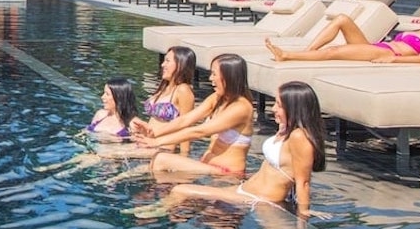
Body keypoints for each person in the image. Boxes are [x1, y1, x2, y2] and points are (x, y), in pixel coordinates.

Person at [131, 81, 327, 220]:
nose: (273, 109)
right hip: (245, 189)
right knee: (198, 203)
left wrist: (304, 214)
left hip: (259, 198)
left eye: (278, 105)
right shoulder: (286, 131)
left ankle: (152, 212)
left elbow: (303, 181)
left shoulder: (299, 137)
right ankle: (158, 210)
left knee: (181, 189)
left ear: (294, 108)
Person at [133, 53, 256, 176]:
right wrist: (153, 134)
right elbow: (185, 120)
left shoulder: (241, 108)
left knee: (161, 159)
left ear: (229, 77)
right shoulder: (217, 98)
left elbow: (199, 131)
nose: (210, 79)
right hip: (207, 167)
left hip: (227, 173)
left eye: (214, 74)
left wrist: (158, 142)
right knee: (144, 168)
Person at [266, 0, 420, 64]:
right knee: (342, 19)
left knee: (334, 52)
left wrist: (393, 59)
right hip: (377, 47)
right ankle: (308, 52)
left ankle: (288, 56)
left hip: (388, 52)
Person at [130, 46, 198, 155]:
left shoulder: (183, 90)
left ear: (180, 64)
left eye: (167, 61)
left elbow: (186, 126)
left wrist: (184, 156)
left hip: (164, 149)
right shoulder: (165, 87)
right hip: (147, 144)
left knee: (105, 155)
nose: (162, 65)